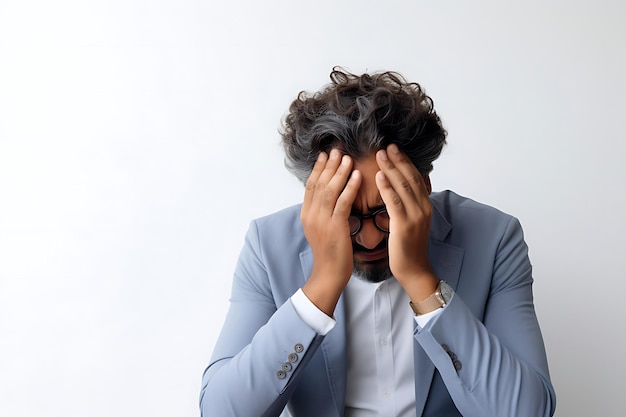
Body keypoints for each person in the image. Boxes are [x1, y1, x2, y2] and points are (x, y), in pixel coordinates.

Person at [200, 68, 556, 417]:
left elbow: (528, 410)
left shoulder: (495, 238)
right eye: (346, 213)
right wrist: (321, 286)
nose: (369, 237)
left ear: (422, 186)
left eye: (386, 210)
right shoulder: (268, 246)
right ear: (315, 194)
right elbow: (219, 411)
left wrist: (421, 280)